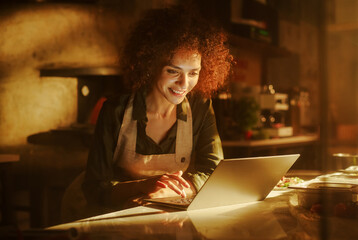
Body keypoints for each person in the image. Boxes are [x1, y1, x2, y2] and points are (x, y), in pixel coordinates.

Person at [61, 5, 233, 222]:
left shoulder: (200, 107)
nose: (184, 83)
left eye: (193, 73)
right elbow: (96, 186)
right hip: (111, 214)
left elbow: (214, 171)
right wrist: (144, 186)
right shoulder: (116, 110)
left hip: (165, 212)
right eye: (173, 71)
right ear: (150, 65)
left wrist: (170, 192)